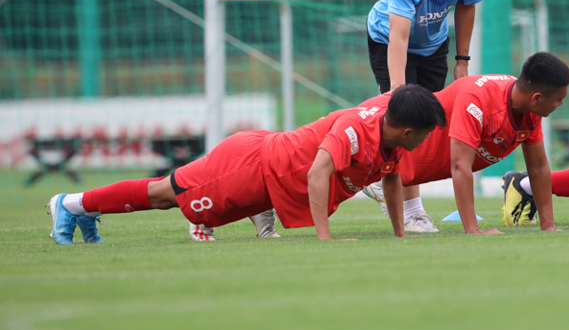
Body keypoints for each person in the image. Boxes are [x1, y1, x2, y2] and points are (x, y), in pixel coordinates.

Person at [46, 85, 447, 245]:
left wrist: (400, 234)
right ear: (409, 130)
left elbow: (392, 183)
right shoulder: (356, 129)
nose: (429, 139)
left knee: (175, 198)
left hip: (267, 179)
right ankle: (70, 203)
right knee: (164, 194)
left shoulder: (392, 142)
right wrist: (326, 240)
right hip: (248, 166)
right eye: (428, 133)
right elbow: (318, 172)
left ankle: (86, 210)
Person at [363, 0, 482, 232]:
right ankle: (413, 212)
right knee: (406, 120)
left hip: (433, 45)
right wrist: (399, 93)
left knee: (427, 125)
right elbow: (398, 37)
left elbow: (467, 6)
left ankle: (379, 181)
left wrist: (462, 61)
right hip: (390, 41)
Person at [400, 52, 569, 234]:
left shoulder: (529, 107)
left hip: (400, 175)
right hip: (383, 162)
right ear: (536, 98)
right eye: (558, 99)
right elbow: (460, 166)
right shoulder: (477, 101)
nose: (561, 103)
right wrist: (473, 231)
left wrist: (548, 226)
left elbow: (538, 167)